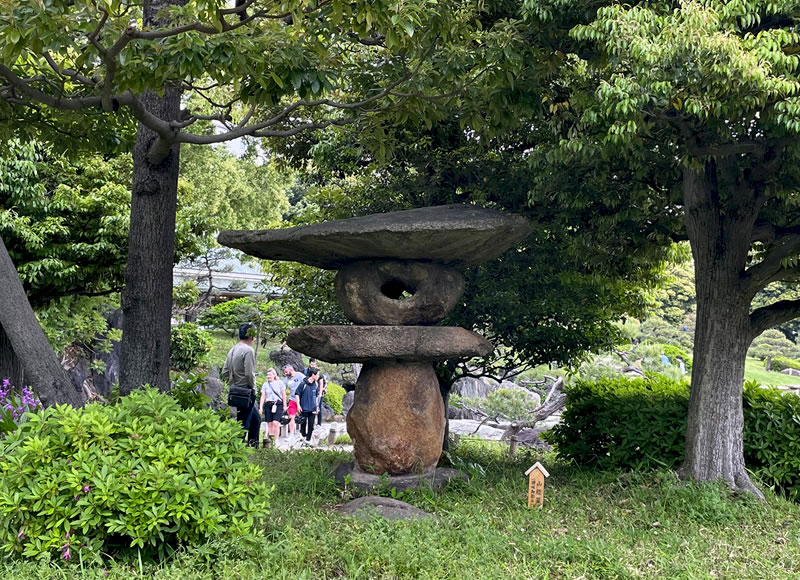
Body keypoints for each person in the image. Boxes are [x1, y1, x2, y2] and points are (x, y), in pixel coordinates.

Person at [222, 323, 261, 447]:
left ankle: (253, 447)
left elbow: (224, 372)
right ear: (251, 335)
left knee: (256, 419)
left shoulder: (233, 349)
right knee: (243, 423)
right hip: (246, 391)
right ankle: (240, 449)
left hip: (235, 390)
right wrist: (252, 387)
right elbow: (249, 374)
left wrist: (234, 382)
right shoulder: (248, 351)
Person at [259, 367, 286, 447]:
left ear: (274, 375)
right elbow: (263, 396)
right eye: (267, 375)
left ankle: (276, 439)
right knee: (270, 423)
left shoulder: (280, 383)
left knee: (275, 422)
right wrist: (260, 407)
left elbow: (283, 395)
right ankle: (270, 440)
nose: (268, 376)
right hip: (269, 404)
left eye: (270, 375)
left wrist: (285, 405)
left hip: (278, 404)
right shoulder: (265, 384)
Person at [296, 367, 321, 442]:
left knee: (311, 425)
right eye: (318, 375)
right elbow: (297, 394)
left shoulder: (316, 384)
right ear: (313, 375)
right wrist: (298, 405)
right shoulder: (303, 384)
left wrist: (317, 407)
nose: (318, 376)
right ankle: (303, 436)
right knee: (303, 425)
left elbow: (316, 396)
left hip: (312, 408)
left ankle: (308, 440)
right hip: (304, 407)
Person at [283, 365, 305, 437]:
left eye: (286, 372)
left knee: (303, 416)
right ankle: (291, 434)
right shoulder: (286, 380)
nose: (285, 373)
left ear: (291, 370)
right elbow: (283, 390)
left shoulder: (300, 375)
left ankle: (303, 433)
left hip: (302, 399)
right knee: (291, 416)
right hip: (292, 399)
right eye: (284, 372)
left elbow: (307, 383)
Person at [305, 358, 327, 425]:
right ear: (309, 364)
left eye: (314, 364)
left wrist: (320, 393)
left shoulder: (318, 372)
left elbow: (321, 383)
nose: (313, 365)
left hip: (317, 392)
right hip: (309, 392)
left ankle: (319, 423)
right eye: (312, 364)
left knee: (318, 407)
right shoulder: (307, 371)